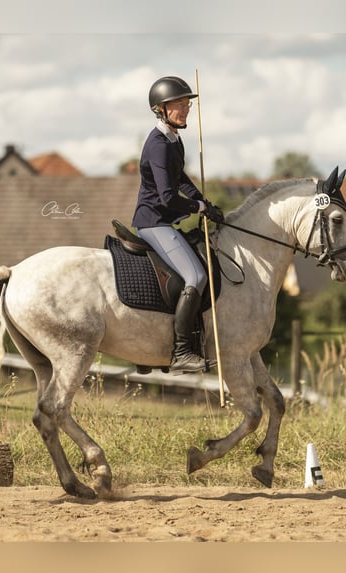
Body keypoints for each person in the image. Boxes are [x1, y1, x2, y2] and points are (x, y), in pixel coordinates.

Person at [132, 75, 224, 373]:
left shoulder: (173, 139)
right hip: (154, 222)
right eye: (178, 105)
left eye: (187, 105)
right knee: (196, 276)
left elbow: (181, 178)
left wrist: (204, 202)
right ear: (160, 108)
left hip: (164, 221)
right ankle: (182, 351)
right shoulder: (158, 144)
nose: (185, 110)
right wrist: (197, 206)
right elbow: (168, 197)